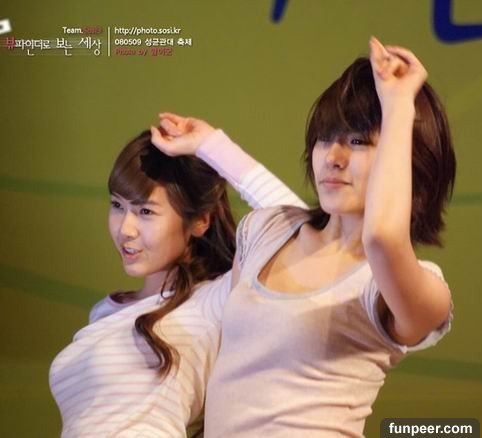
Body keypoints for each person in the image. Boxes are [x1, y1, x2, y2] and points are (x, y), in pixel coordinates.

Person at [195, 38, 456, 437]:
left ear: (411, 166)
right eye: (326, 136)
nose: (333, 157)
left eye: (358, 141)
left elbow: (383, 238)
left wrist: (399, 105)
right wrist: (207, 144)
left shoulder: (414, 288)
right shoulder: (266, 229)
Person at [49, 117, 306, 437]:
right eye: (117, 205)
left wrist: (212, 146)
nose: (125, 229)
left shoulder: (214, 301)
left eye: (145, 211)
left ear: (200, 221)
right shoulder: (104, 312)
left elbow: (303, 235)